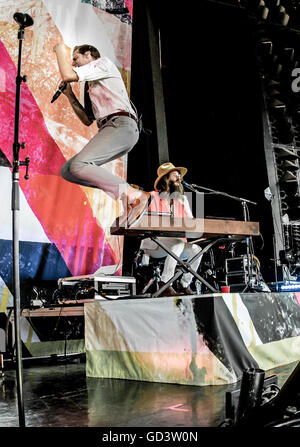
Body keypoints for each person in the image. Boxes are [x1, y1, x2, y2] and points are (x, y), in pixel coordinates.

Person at [52, 43, 150, 226]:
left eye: (76, 58)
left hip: (122, 124)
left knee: (80, 165)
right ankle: (126, 195)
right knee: (69, 170)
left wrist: (59, 50)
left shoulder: (103, 64)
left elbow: (68, 74)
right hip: (110, 127)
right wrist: (69, 95)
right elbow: (87, 120)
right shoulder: (92, 85)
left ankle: (134, 195)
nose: (74, 63)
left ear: (88, 55)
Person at [140, 162, 202, 296]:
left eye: (179, 175)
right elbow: (142, 221)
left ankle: (184, 284)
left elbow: (191, 223)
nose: (179, 178)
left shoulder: (182, 200)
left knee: (197, 251)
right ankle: (165, 283)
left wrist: (185, 204)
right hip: (154, 244)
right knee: (177, 243)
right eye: (175, 175)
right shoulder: (151, 196)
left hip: (175, 244)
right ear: (165, 179)